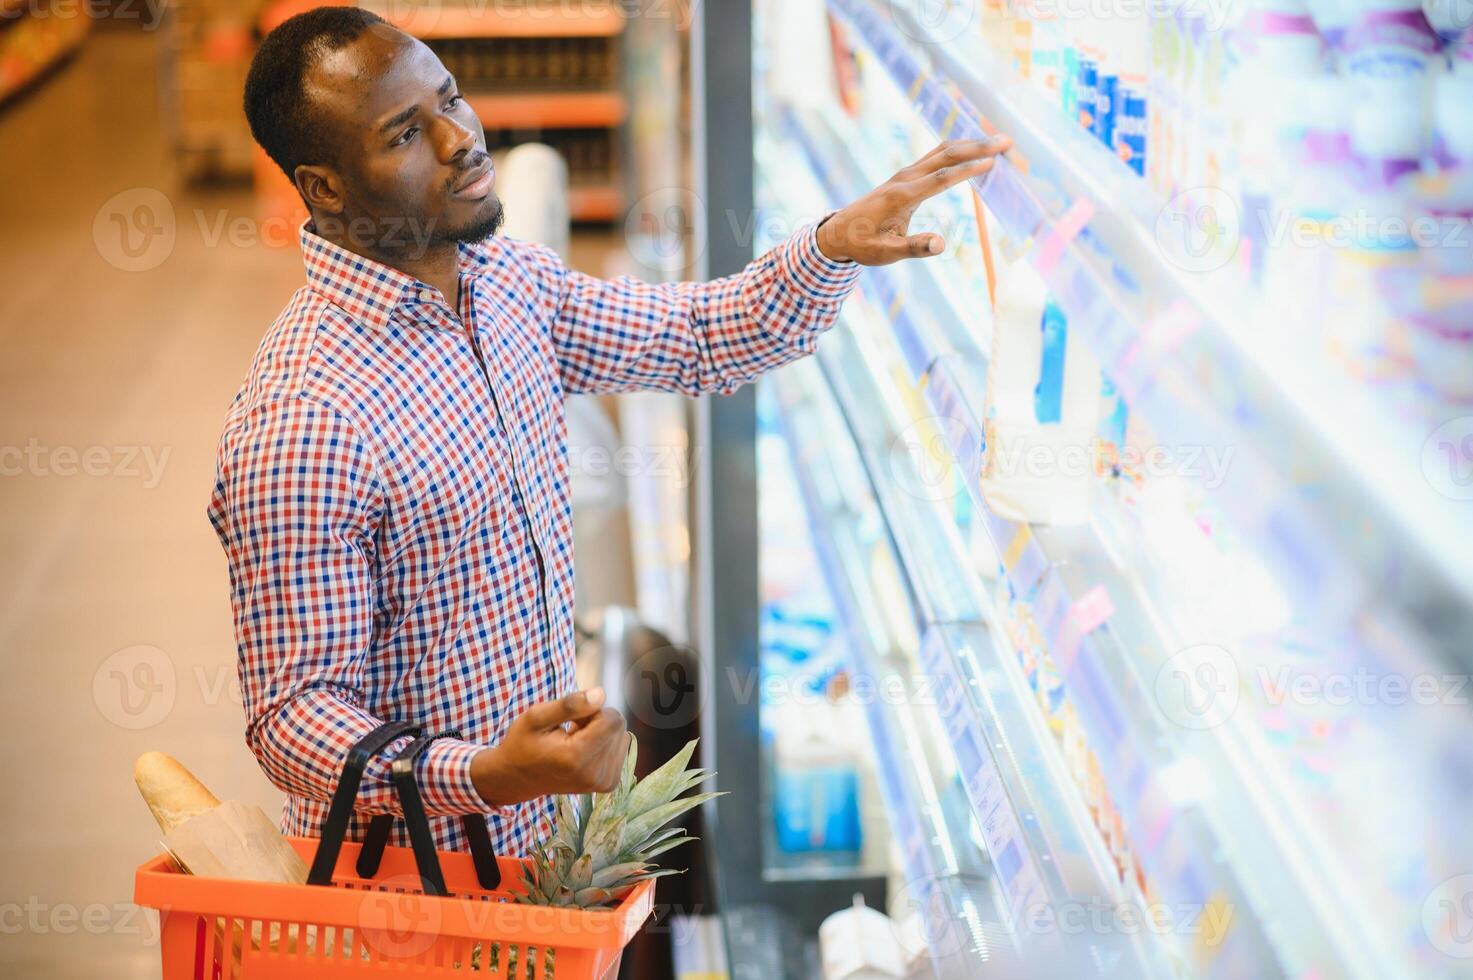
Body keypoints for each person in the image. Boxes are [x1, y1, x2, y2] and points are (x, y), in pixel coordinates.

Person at [211, 5, 1011, 855]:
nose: (459, 141)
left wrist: (830, 246)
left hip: (545, 842)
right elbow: (292, 722)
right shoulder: (304, 423)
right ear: (325, 186)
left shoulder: (501, 280)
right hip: (416, 891)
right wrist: (484, 774)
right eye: (406, 133)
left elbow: (698, 337)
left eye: (450, 99)